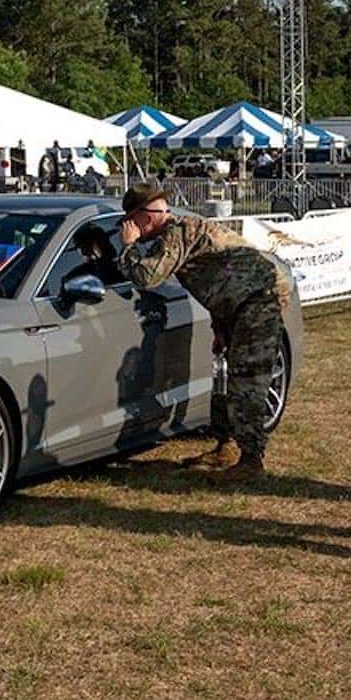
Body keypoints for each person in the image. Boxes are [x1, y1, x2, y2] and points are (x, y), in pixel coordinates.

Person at [117, 182, 291, 483]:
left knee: (247, 380)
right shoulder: (182, 230)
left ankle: (251, 462)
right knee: (224, 377)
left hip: (258, 299)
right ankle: (228, 447)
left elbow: (147, 276)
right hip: (239, 303)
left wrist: (128, 246)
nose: (130, 227)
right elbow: (217, 280)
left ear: (145, 216)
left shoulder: (177, 232)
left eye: (131, 221)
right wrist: (220, 327)